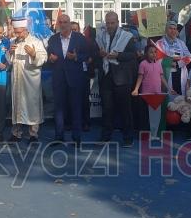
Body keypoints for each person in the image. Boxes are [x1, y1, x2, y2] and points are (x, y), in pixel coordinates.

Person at [46, 14, 90, 146]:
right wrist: (50, 59)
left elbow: (87, 55)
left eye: (65, 22)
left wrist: (76, 57)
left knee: (76, 108)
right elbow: (48, 57)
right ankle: (59, 136)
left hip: (75, 78)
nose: (63, 24)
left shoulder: (80, 38)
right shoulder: (53, 39)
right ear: (58, 24)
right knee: (59, 109)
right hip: (59, 78)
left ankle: (76, 137)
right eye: (61, 22)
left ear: (70, 24)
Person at [96, 11, 138, 147]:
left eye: (112, 23)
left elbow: (133, 55)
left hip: (122, 78)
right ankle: (105, 136)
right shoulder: (100, 36)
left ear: (118, 22)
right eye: (107, 23)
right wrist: (100, 54)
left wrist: (118, 56)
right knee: (107, 109)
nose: (109, 25)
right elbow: (96, 54)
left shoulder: (127, 36)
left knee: (125, 110)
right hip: (106, 76)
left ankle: (128, 138)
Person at [8, 17, 47, 144]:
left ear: (25, 30)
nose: (17, 35)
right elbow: (9, 61)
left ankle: (33, 134)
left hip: (31, 81)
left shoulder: (36, 41)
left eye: (19, 32)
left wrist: (34, 54)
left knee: (32, 106)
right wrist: (10, 52)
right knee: (17, 105)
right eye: (15, 32)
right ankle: (16, 133)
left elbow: (43, 58)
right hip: (17, 80)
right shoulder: (13, 41)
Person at [132, 43, 170, 140]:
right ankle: (145, 135)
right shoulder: (143, 64)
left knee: (155, 116)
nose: (153, 54)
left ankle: (154, 134)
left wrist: (169, 88)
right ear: (146, 53)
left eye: (155, 52)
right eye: (151, 52)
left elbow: (162, 77)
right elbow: (140, 77)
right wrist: (136, 89)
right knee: (146, 116)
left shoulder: (158, 64)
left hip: (157, 94)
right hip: (146, 94)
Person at [156, 20, 191, 95]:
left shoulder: (181, 43)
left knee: (181, 97)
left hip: (181, 72)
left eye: (175, 29)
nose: (173, 31)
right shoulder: (159, 43)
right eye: (170, 28)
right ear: (166, 30)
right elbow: (157, 60)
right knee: (169, 96)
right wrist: (170, 61)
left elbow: (189, 57)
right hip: (166, 72)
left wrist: (178, 64)